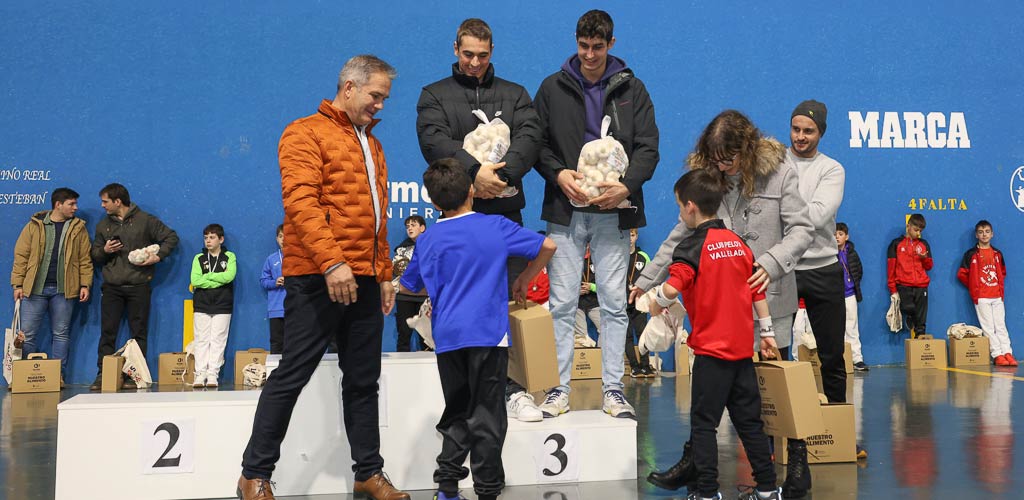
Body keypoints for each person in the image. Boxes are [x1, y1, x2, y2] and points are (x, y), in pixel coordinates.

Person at [237, 55, 408, 500]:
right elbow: (301, 203)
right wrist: (333, 263)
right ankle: (253, 474)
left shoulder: (373, 144)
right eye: (376, 96)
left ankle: (368, 473)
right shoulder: (302, 133)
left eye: (384, 99)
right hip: (318, 276)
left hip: (366, 280)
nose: (381, 106)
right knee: (292, 373)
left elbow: (376, 218)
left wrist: (385, 272)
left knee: (363, 381)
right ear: (349, 88)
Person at [631, 109, 812, 496]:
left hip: (770, 298)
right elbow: (680, 237)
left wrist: (770, 262)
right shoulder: (710, 179)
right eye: (715, 160)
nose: (723, 167)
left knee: (777, 391)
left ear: (747, 149)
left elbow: (802, 229)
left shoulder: (780, 173)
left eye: (729, 159)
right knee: (714, 406)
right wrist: (645, 280)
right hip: (720, 312)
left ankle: (797, 464)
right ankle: (699, 466)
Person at [399, 158, 556, 500]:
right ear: (472, 190)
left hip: (449, 337)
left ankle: (447, 485)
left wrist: (443, 283)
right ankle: (486, 489)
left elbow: (410, 286)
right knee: (487, 412)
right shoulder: (495, 226)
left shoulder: (427, 240)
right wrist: (526, 278)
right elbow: (548, 246)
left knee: (457, 408)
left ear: (435, 202)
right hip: (489, 334)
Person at [416, 18, 544, 421]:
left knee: (508, 303)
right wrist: (475, 173)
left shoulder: (516, 93)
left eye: (483, 56)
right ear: (455, 48)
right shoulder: (433, 95)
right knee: (457, 307)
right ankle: (461, 398)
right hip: (456, 217)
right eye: (468, 54)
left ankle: (514, 388)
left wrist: (500, 177)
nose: (474, 62)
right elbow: (434, 140)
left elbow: (531, 136)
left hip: (504, 212)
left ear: (492, 53)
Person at [533, 9, 659, 419]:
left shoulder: (632, 90)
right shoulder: (552, 88)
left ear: (611, 44)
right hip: (565, 208)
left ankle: (614, 390)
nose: (589, 55)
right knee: (562, 302)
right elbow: (537, 143)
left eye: (598, 47)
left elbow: (648, 149)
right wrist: (558, 174)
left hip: (614, 210)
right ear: (576, 41)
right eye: (584, 46)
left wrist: (627, 186)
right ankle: (558, 390)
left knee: (613, 304)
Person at [646, 169, 781, 500]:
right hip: (742, 353)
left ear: (691, 207)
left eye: (679, 207)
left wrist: (655, 301)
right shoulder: (738, 243)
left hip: (710, 355)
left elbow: (672, 287)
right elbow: (757, 290)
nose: (680, 213)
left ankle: (707, 493)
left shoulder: (691, 246)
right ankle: (767, 489)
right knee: (750, 424)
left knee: (704, 426)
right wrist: (767, 333)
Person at [90, 183, 179, 391]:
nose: (102, 206)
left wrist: (158, 256)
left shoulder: (145, 220)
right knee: (107, 333)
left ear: (117, 201)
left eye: (105, 201)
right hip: (112, 287)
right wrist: (104, 249)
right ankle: (103, 374)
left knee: (138, 333)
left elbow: (171, 237)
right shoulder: (103, 226)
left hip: (139, 285)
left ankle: (134, 375)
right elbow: (95, 255)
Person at [10, 187, 92, 385]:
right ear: (58, 205)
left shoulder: (78, 228)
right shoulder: (33, 226)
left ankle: (57, 377)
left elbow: (84, 259)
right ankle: (24, 377)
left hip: (64, 290)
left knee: (61, 334)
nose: (75, 208)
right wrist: (17, 284)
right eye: (71, 204)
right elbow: (21, 256)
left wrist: (84, 284)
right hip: (34, 290)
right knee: (27, 335)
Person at [957, 220, 1015, 366]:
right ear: (976, 235)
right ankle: (997, 355)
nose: (984, 235)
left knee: (1000, 325)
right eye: (981, 232)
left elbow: (1002, 272)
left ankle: (1007, 352)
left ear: (992, 234)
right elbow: (962, 274)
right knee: (988, 327)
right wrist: (974, 287)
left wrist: (997, 288)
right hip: (981, 297)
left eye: (987, 231)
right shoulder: (970, 254)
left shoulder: (997, 253)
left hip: (997, 295)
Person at [189, 223, 236, 388]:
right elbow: (195, 281)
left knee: (218, 340)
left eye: (212, 237)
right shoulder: (198, 258)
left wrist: (207, 278)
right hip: (202, 304)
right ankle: (200, 373)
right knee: (201, 340)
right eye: (206, 238)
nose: (208, 241)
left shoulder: (229, 256)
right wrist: (217, 278)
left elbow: (229, 276)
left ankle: (212, 374)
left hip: (223, 304)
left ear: (221, 239)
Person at [887, 213, 932, 338]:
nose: (918, 233)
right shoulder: (896, 244)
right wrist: (893, 289)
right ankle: (911, 316)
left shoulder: (924, 244)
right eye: (916, 229)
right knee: (908, 307)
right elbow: (891, 268)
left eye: (920, 231)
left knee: (921, 318)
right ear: (908, 226)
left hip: (922, 285)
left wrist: (924, 258)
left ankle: (921, 340)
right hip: (903, 285)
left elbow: (929, 266)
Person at [393, 215, 429, 352]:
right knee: (403, 334)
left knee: (426, 337)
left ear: (422, 228)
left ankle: (429, 371)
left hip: (425, 297)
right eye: (407, 226)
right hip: (405, 297)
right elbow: (397, 273)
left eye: (413, 225)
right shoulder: (401, 249)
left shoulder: (432, 247)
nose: (409, 228)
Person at [835, 222, 867, 371]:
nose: (837, 237)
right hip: (834, 297)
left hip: (850, 295)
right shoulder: (829, 254)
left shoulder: (852, 253)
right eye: (835, 234)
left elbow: (858, 270)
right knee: (836, 328)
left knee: (852, 327)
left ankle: (856, 359)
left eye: (840, 234)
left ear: (846, 237)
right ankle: (840, 360)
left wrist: (853, 285)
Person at [624, 228, 654, 378]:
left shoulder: (643, 257)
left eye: (632, 235)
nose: (630, 238)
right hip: (622, 302)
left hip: (639, 302)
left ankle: (646, 365)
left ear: (637, 236)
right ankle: (634, 367)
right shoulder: (618, 256)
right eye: (627, 235)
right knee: (627, 336)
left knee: (643, 334)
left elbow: (650, 278)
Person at [260, 225, 286, 354]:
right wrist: (275, 282)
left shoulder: (301, 259)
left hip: (296, 308)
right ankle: (277, 373)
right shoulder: (271, 259)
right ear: (277, 239)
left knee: (295, 344)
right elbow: (264, 281)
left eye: (287, 236)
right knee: (276, 342)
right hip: (276, 309)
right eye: (281, 236)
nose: (284, 239)